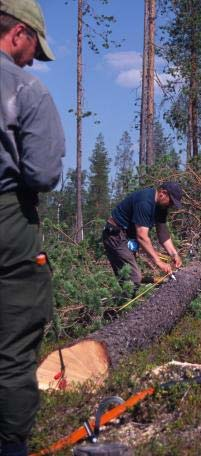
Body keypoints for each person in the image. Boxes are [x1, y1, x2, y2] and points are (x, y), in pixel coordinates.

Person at [0, 0, 65, 454]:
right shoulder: (26, 90)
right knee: (15, 339)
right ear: (18, 33)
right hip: (8, 220)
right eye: (32, 50)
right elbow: (42, 174)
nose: (31, 60)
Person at [103, 182, 183, 289]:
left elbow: (162, 232)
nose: (171, 205)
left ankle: (126, 297)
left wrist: (174, 254)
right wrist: (158, 262)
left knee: (129, 276)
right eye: (171, 202)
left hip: (127, 237)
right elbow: (142, 236)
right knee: (133, 278)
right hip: (115, 235)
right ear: (163, 193)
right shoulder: (145, 202)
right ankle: (127, 304)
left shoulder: (161, 207)